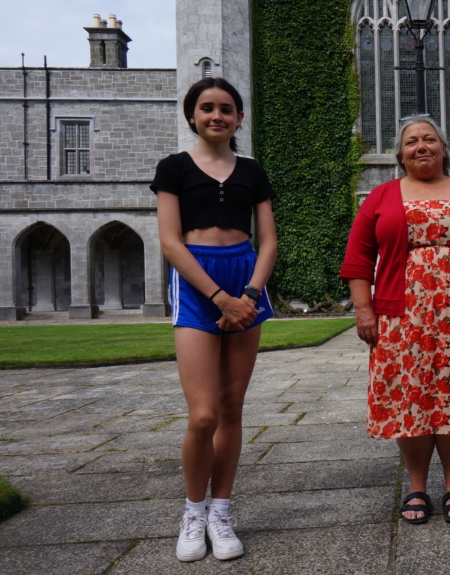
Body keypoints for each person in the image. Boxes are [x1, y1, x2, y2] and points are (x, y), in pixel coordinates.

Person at [340, 117, 450, 525]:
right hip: (402, 317)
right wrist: (363, 308)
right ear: (400, 153)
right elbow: (358, 258)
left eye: (429, 139)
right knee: (411, 397)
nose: (420, 146)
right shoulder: (381, 196)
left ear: (444, 147)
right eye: (411, 142)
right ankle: (418, 486)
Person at [151, 77, 277, 561]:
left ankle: (221, 512)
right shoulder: (174, 168)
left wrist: (248, 293)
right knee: (202, 414)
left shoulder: (252, 171)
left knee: (231, 407)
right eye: (207, 108)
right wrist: (220, 297)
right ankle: (193, 511)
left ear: (239, 118)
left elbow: (268, 241)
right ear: (192, 116)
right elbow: (169, 241)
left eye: (226, 108)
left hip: (245, 282)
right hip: (198, 283)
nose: (217, 115)